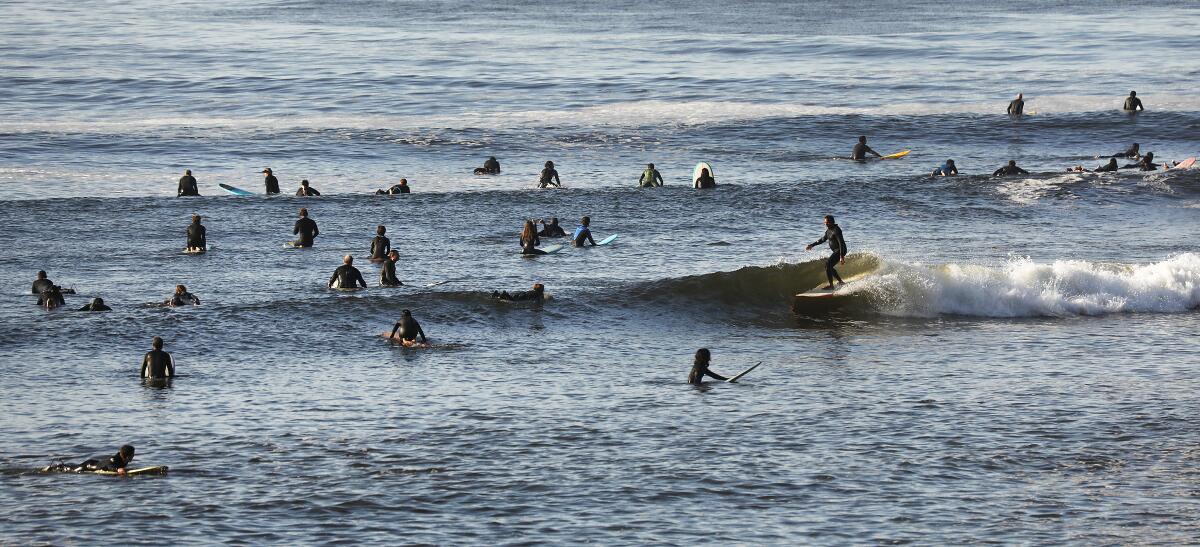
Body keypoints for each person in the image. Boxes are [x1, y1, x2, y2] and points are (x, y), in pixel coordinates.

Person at [805, 215, 848, 290]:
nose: (826, 224)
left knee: (828, 264)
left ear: (832, 222)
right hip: (836, 251)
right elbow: (822, 239)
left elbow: (841, 243)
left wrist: (841, 256)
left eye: (827, 222)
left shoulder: (836, 230)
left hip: (841, 250)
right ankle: (840, 281)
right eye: (825, 222)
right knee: (828, 266)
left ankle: (831, 286)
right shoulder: (828, 231)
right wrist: (812, 245)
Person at [45, 445, 136, 474]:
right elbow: (110, 465)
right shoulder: (114, 459)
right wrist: (117, 469)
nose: (134, 456)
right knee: (71, 469)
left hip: (95, 463)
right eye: (133, 454)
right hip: (88, 466)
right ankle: (56, 467)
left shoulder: (124, 460)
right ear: (128, 456)